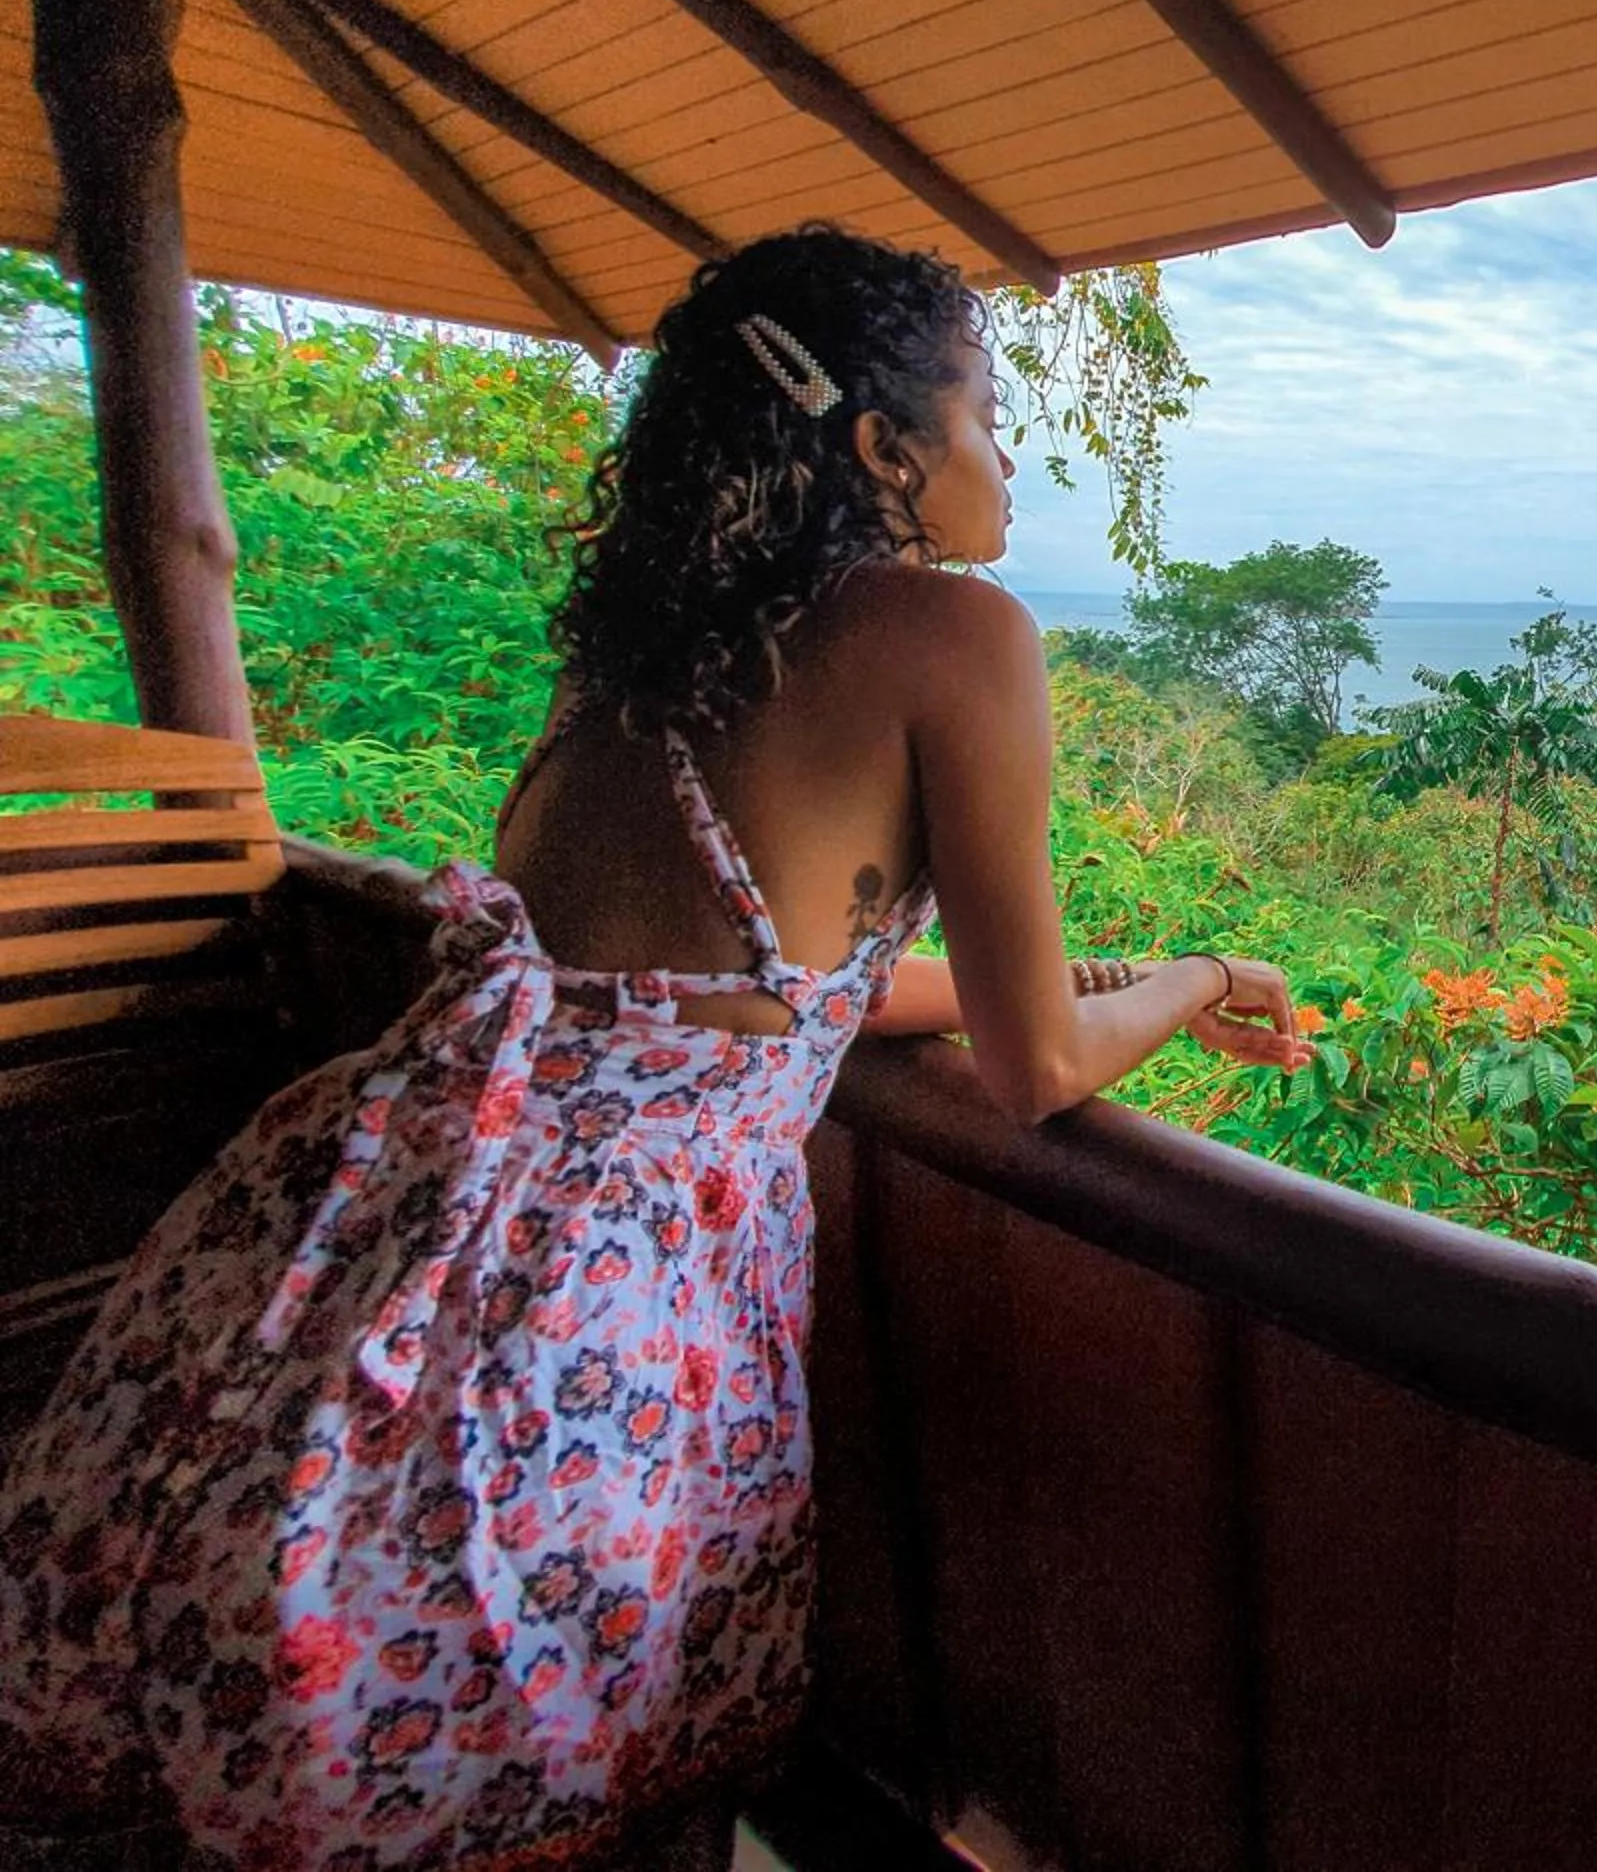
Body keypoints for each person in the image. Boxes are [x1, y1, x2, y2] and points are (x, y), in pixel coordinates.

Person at [0, 225, 1310, 1868]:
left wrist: (1106, 963)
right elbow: (1040, 1064)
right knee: (577, 1739)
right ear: (884, 450)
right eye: (985, 414)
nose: (1007, 456)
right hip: (602, 1282)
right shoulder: (953, 636)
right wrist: (1191, 974)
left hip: (396, 1202)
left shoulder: (636, 651)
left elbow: (751, 992)